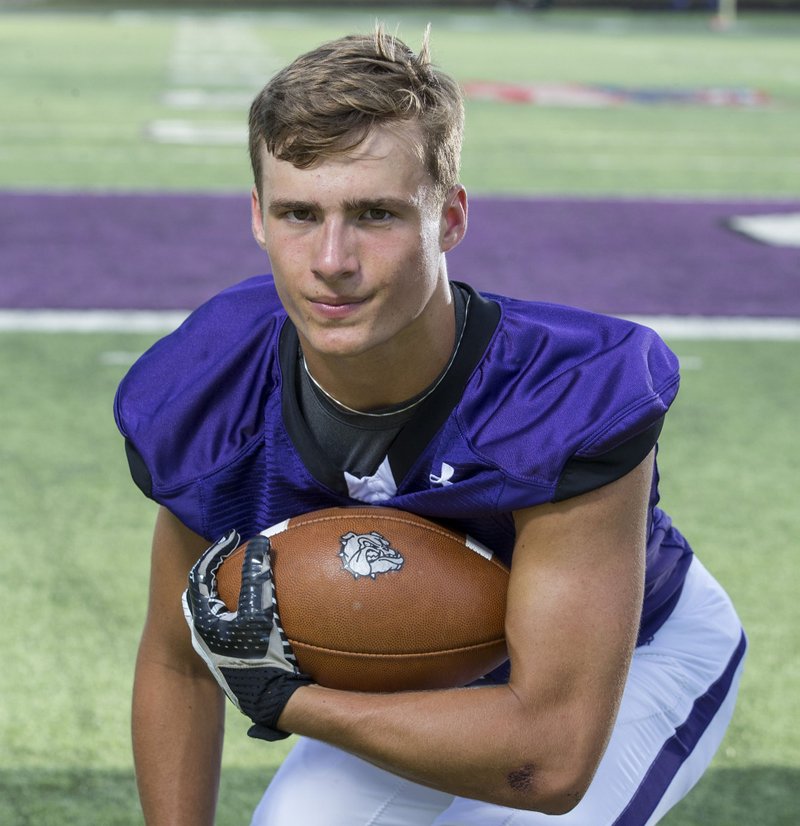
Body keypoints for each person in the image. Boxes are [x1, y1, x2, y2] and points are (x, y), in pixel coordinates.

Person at [114, 26, 746, 826]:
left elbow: (548, 762)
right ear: (257, 217)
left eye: (374, 213)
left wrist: (294, 702)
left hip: (632, 664)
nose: (332, 258)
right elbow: (179, 661)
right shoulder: (210, 387)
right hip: (424, 680)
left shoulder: (561, 391)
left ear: (449, 218)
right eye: (300, 214)